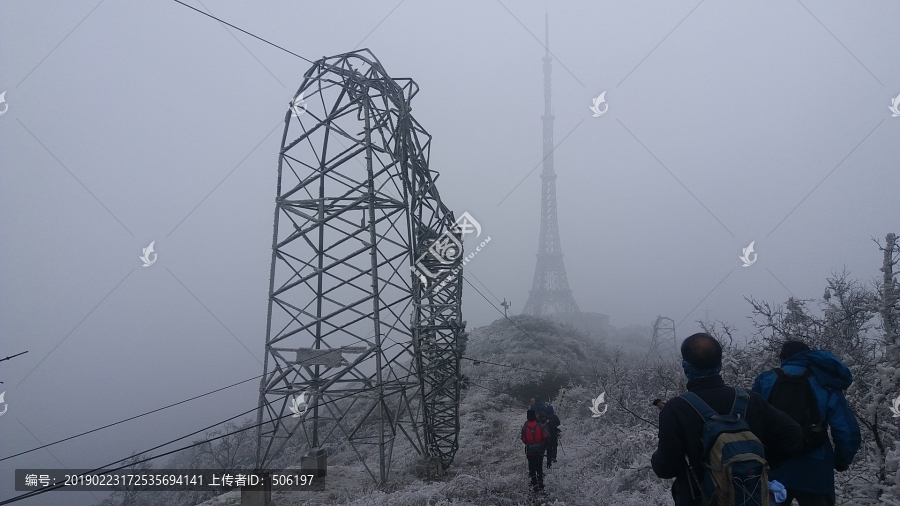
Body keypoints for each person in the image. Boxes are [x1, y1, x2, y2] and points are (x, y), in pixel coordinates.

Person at [651, 333, 804, 506]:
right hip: (750, 496)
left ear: (685, 367)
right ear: (721, 363)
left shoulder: (675, 409)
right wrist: (756, 463)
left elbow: (667, 468)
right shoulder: (751, 400)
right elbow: (794, 435)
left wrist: (657, 459)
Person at [752, 341, 861, 506]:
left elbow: (752, 423)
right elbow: (846, 430)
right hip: (816, 469)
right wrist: (841, 461)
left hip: (774, 467)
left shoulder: (765, 379)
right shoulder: (825, 382)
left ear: (783, 358)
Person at [520, 409, 549, 492]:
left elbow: (523, 438)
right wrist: (542, 444)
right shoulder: (539, 425)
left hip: (530, 451)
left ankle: (534, 484)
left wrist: (528, 443)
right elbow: (546, 435)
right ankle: (540, 482)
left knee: (531, 467)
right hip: (540, 450)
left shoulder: (525, 426)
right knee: (539, 466)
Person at [544, 404, 561, 469]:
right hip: (554, 433)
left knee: (548, 446)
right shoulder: (555, 416)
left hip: (547, 433)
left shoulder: (545, 417)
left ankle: (549, 457)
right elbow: (558, 423)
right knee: (554, 445)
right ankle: (553, 457)